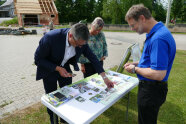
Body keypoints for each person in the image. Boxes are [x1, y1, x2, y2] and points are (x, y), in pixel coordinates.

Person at [34, 23, 114, 124]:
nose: (80, 47)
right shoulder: (50, 38)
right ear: (71, 35)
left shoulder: (81, 42)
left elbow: (93, 58)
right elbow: (38, 59)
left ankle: (65, 119)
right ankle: (53, 121)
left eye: (82, 45)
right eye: (78, 44)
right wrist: (57, 68)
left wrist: (105, 78)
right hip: (49, 71)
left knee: (69, 96)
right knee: (51, 99)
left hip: (66, 70)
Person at [124, 4, 176, 124]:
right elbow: (152, 61)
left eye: (133, 25)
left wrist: (134, 69)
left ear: (142, 18)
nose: (132, 29)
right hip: (152, 89)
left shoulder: (158, 38)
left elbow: (158, 74)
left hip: (151, 91)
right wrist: (136, 63)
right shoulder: (156, 32)